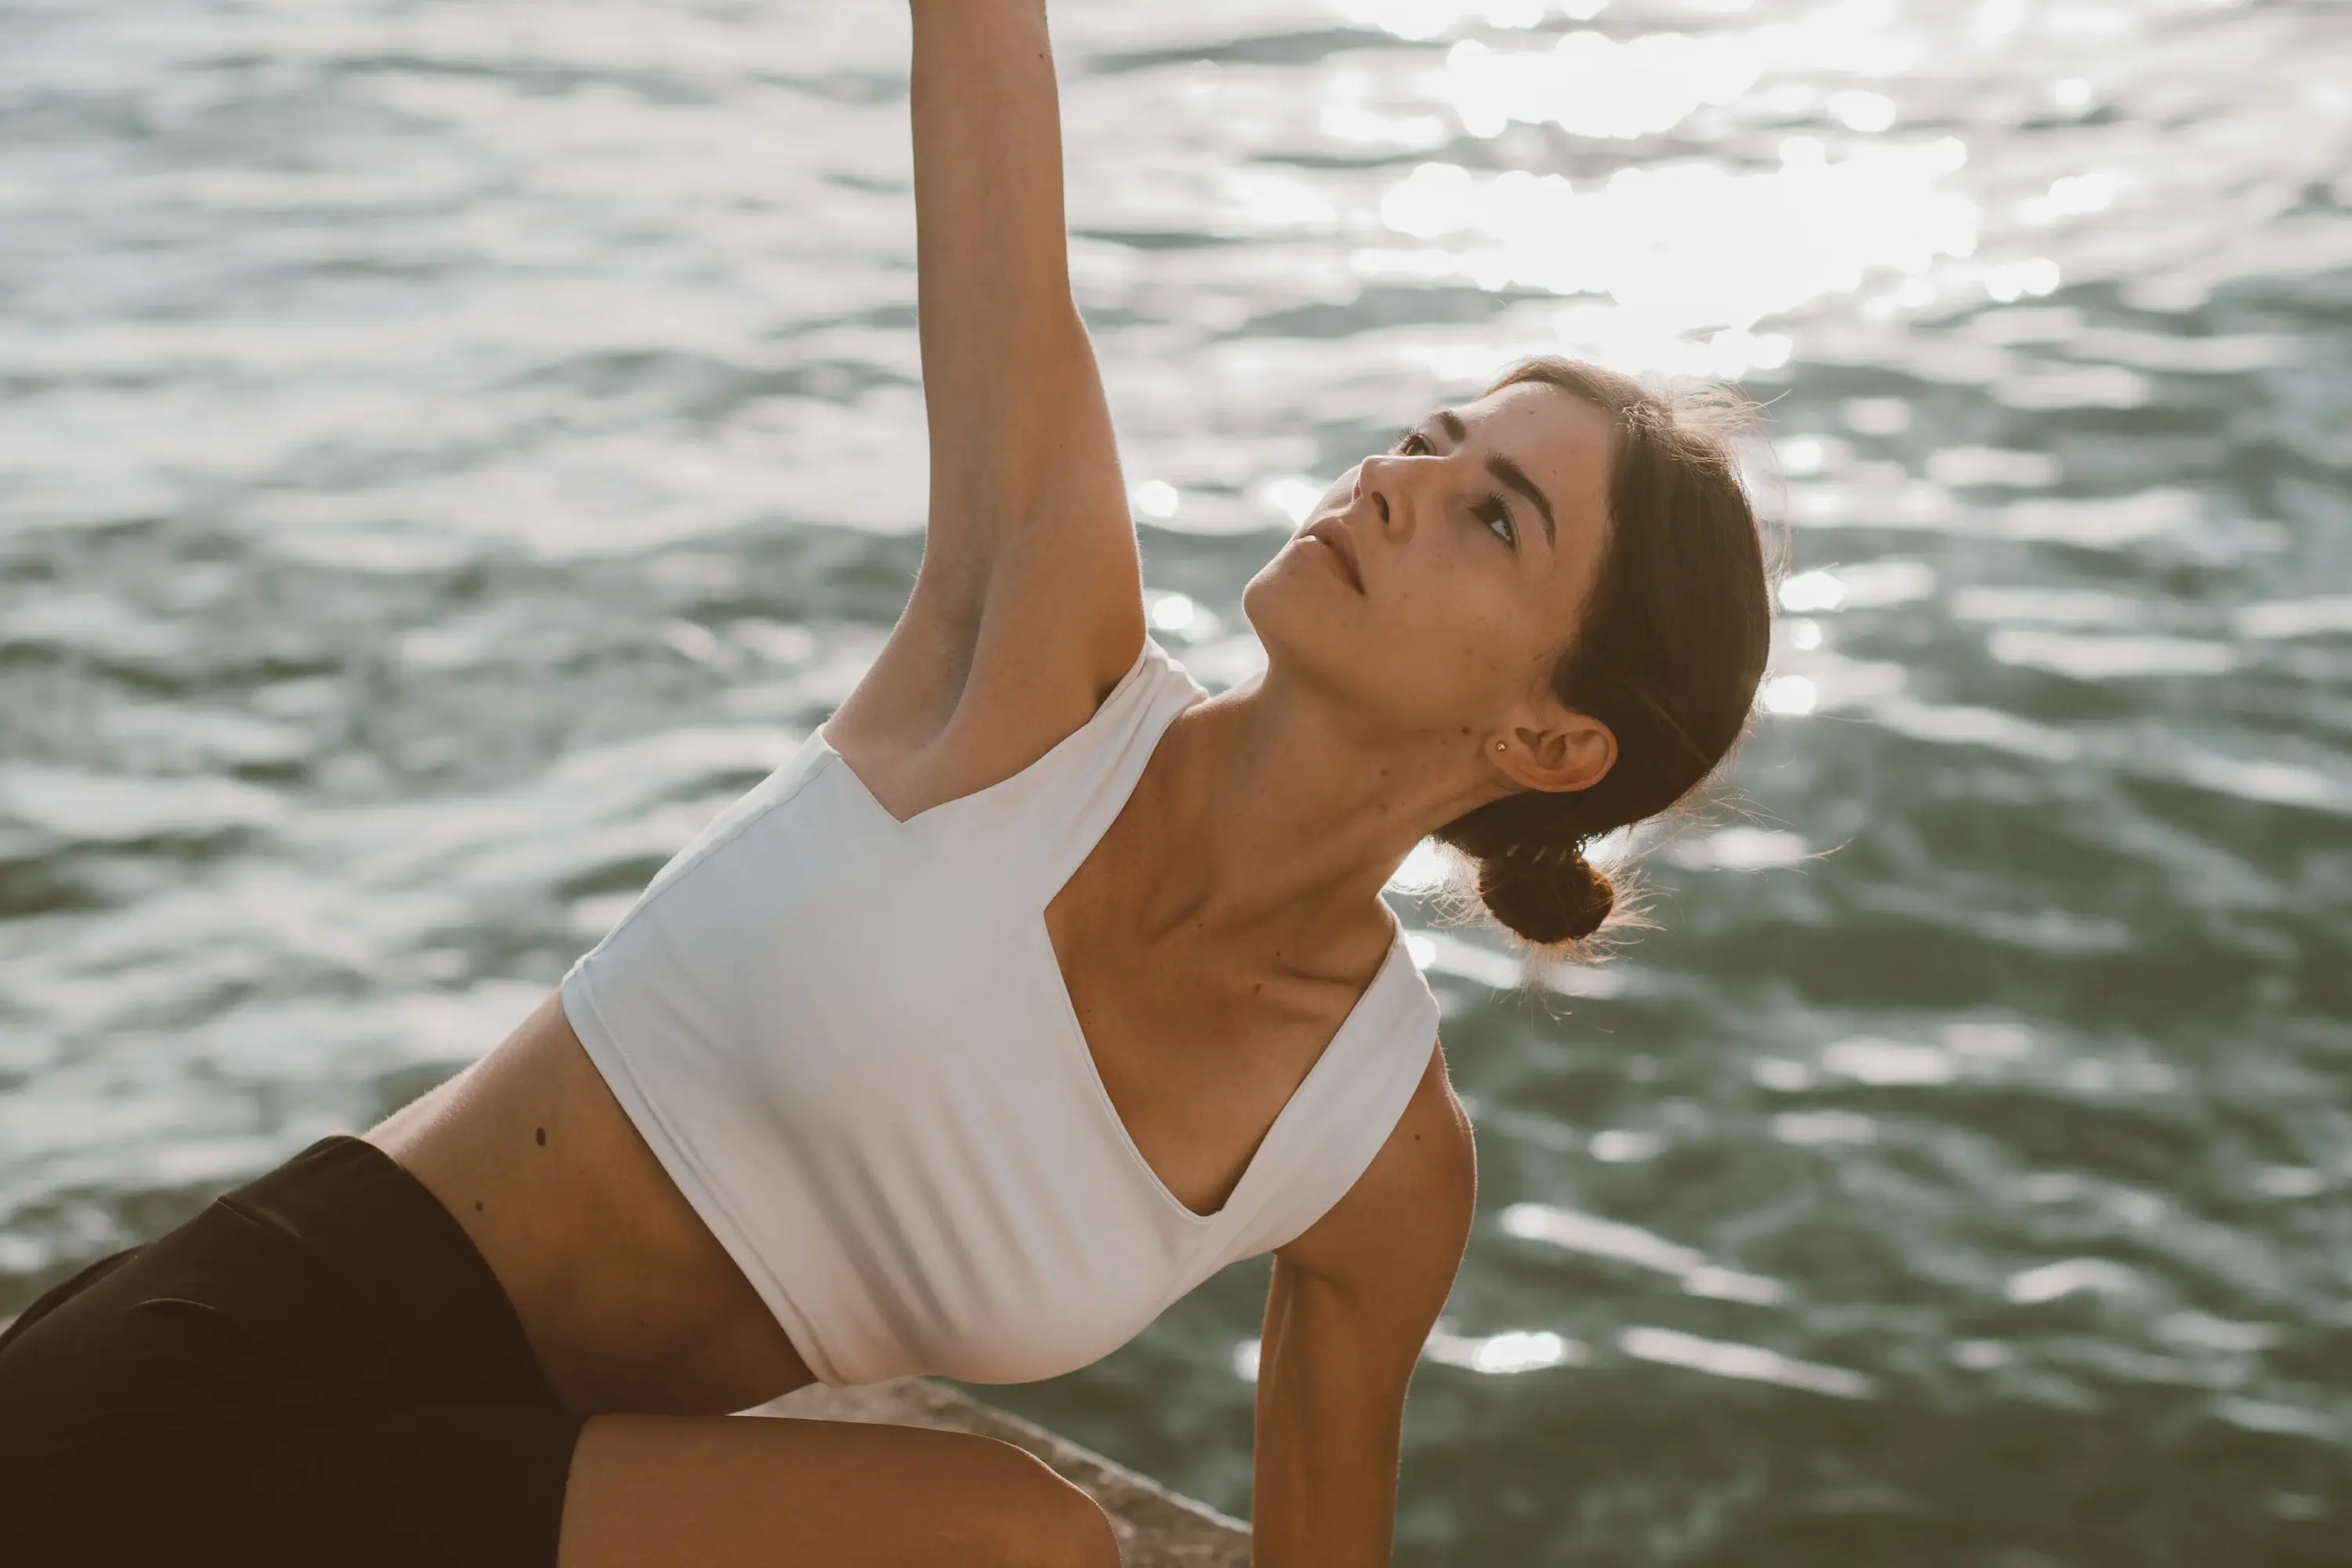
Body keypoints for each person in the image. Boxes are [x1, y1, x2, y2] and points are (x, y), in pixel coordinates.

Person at [0, 3, 1772, 1564]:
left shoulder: (1377, 1150)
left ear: (1553, 742)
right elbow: (984, 61)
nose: (1394, 476)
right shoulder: (1032, 676)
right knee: (1016, 1542)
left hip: (485, 1493)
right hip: (221, 1393)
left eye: (1491, 513)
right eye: (1427, 434)